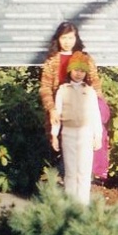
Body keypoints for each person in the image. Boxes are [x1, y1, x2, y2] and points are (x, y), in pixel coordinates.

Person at [50, 51, 103, 205]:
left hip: (86, 134)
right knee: (71, 172)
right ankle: (70, 205)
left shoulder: (90, 91)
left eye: (82, 71)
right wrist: (55, 135)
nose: (79, 74)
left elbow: (95, 114)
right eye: (76, 70)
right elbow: (57, 115)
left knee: (84, 172)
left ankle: (83, 206)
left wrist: (97, 135)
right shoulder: (62, 90)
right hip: (68, 134)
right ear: (70, 71)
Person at [39, 21, 102, 131]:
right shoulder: (51, 60)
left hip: (82, 108)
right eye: (64, 38)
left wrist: (101, 105)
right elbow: (45, 88)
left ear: (76, 38)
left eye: (70, 38)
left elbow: (95, 82)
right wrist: (52, 109)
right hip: (60, 108)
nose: (67, 42)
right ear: (58, 39)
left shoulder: (84, 58)